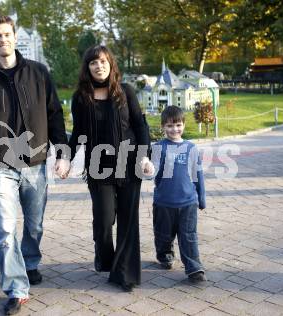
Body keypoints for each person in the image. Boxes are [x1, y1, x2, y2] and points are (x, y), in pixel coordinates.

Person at [0, 15, 70, 315]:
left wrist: (63, 153)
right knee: (5, 231)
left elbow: (55, 114)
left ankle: (30, 262)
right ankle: (17, 289)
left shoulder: (39, 73)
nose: (2, 39)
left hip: (36, 164)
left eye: (7, 34)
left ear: (15, 36)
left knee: (34, 226)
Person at [68, 45, 154, 292]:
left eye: (103, 61)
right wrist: (66, 157)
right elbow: (78, 134)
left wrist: (145, 157)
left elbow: (140, 125)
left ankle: (124, 274)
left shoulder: (125, 92)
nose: (99, 66)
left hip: (129, 165)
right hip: (98, 167)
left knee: (128, 221)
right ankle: (105, 258)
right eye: (94, 62)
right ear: (88, 68)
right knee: (104, 220)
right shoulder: (80, 98)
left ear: (111, 64)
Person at [150, 105, 207, 282]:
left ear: (183, 124)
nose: (174, 129)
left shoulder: (191, 148)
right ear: (163, 127)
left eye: (178, 125)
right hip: (163, 202)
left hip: (188, 202)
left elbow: (198, 175)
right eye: (169, 126)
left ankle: (194, 267)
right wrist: (147, 169)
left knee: (188, 236)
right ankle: (165, 255)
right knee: (163, 234)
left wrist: (201, 198)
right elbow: (151, 172)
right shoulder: (158, 147)